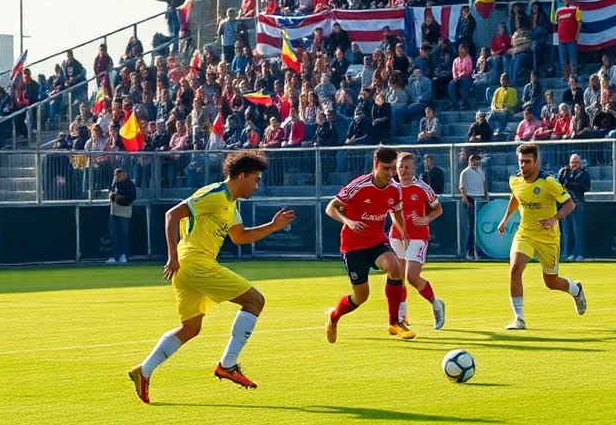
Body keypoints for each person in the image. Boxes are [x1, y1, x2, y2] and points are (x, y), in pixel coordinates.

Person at [128, 152, 296, 404]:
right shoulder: (215, 194)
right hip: (195, 262)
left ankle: (144, 370)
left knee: (191, 328)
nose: (257, 185)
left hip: (189, 268)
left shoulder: (231, 203)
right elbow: (172, 214)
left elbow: (239, 237)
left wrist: (272, 226)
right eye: (255, 179)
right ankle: (227, 365)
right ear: (241, 176)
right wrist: (172, 256)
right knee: (255, 301)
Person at [324, 147, 414, 342]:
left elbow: (397, 211)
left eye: (392, 169)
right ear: (375, 165)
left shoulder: (394, 188)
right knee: (360, 297)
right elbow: (330, 207)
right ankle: (333, 317)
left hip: (376, 241)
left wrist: (403, 231)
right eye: (386, 169)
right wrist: (348, 221)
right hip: (353, 246)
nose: (391, 174)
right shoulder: (358, 186)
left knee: (395, 267)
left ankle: (394, 322)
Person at [497, 143, 588, 330]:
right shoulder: (514, 179)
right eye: (521, 162)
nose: (523, 166)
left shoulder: (548, 182)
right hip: (525, 233)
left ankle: (576, 289)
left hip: (547, 238)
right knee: (515, 268)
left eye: (527, 162)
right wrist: (505, 219)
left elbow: (570, 204)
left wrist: (555, 218)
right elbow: (516, 196)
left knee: (552, 282)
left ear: (537, 162)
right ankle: (519, 319)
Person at [389, 152, 446, 330]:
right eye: (400, 167)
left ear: (414, 169)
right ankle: (402, 316)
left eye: (407, 167)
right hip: (397, 237)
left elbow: (438, 209)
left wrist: (426, 219)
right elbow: (390, 212)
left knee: (412, 277)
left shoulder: (422, 188)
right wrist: (400, 229)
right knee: (397, 278)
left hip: (418, 237)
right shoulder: (391, 187)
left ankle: (436, 304)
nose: (403, 170)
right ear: (395, 168)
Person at [557, 153, 590, 261]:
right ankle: (567, 253)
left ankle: (579, 253)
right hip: (565, 203)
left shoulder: (584, 174)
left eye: (576, 162)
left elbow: (586, 187)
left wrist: (570, 185)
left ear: (580, 163)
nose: (574, 164)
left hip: (577, 203)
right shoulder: (565, 172)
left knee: (577, 229)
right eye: (572, 162)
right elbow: (558, 184)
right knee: (566, 230)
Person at [458, 153, 488, 260]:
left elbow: (483, 184)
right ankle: (469, 251)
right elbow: (462, 188)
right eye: (476, 161)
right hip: (471, 199)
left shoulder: (481, 171)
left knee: (478, 226)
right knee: (471, 226)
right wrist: (467, 201)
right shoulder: (465, 172)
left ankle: (478, 250)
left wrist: (485, 193)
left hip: (479, 199)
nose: (477, 164)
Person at [107, 167, 137, 264]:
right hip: (113, 211)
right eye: (116, 175)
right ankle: (115, 256)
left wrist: (118, 195)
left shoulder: (130, 184)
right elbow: (112, 195)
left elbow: (132, 196)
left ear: (124, 175)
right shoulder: (114, 184)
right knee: (114, 235)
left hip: (124, 213)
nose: (117, 177)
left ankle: (124, 255)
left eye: (119, 175)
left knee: (124, 235)